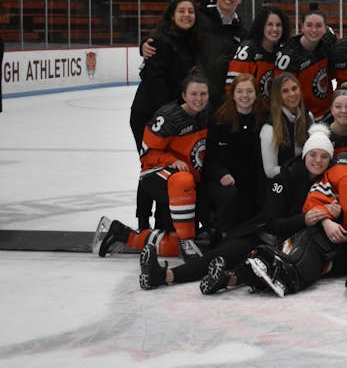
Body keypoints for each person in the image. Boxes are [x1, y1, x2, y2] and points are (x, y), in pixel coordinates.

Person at [138, 123, 334, 293]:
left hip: (291, 249)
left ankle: (224, 279)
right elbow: (272, 223)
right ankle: (164, 275)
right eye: (313, 154)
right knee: (221, 256)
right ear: (305, 154)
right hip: (264, 236)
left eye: (324, 156)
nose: (318, 160)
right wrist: (304, 219)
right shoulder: (285, 178)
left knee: (255, 268)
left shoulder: (329, 182)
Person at [244, 129, 347, 297]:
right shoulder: (345, 165)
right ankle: (285, 273)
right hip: (339, 239)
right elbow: (316, 195)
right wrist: (326, 220)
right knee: (311, 234)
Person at [94, 74, 213, 261]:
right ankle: (186, 240)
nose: (199, 99)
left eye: (203, 94)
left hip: (185, 184)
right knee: (183, 180)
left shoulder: (207, 114)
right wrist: (170, 160)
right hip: (156, 175)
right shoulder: (168, 117)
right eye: (194, 94)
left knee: (170, 246)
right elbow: (147, 153)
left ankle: (122, 235)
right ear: (183, 95)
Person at [129, 0, 199, 151]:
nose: (186, 15)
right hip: (149, 113)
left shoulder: (192, 41)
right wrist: (175, 113)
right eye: (181, 11)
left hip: (171, 113)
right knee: (153, 164)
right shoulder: (160, 41)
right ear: (172, 16)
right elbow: (155, 82)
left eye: (191, 11)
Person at [202, 73, 267, 234]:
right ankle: (223, 232)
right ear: (232, 95)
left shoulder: (265, 118)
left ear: (256, 94)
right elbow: (208, 156)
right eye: (240, 91)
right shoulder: (219, 119)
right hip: (227, 179)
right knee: (229, 195)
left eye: (249, 91)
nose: (245, 96)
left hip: (253, 179)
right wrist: (220, 174)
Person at [274, 8, 337, 121]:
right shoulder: (289, 55)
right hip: (301, 118)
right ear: (302, 26)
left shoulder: (328, 43)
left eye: (319, 25)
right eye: (309, 25)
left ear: (325, 28)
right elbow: (281, 93)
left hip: (328, 114)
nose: (314, 30)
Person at [226, 5, 290, 108]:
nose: (275, 29)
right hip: (248, 112)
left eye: (278, 25)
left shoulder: (283, 52)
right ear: (261, 26)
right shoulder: (248, 51)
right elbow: (232, 88)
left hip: (273, 114)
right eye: (269, 24)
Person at [259, 73, 311, 179]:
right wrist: (300, 171)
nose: (292, 94)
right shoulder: (269, 128)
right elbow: (270, 171)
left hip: (305, 179)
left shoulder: (308, 116)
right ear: (278, 96)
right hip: (280, 185)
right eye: (285, 91)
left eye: (294, 88)